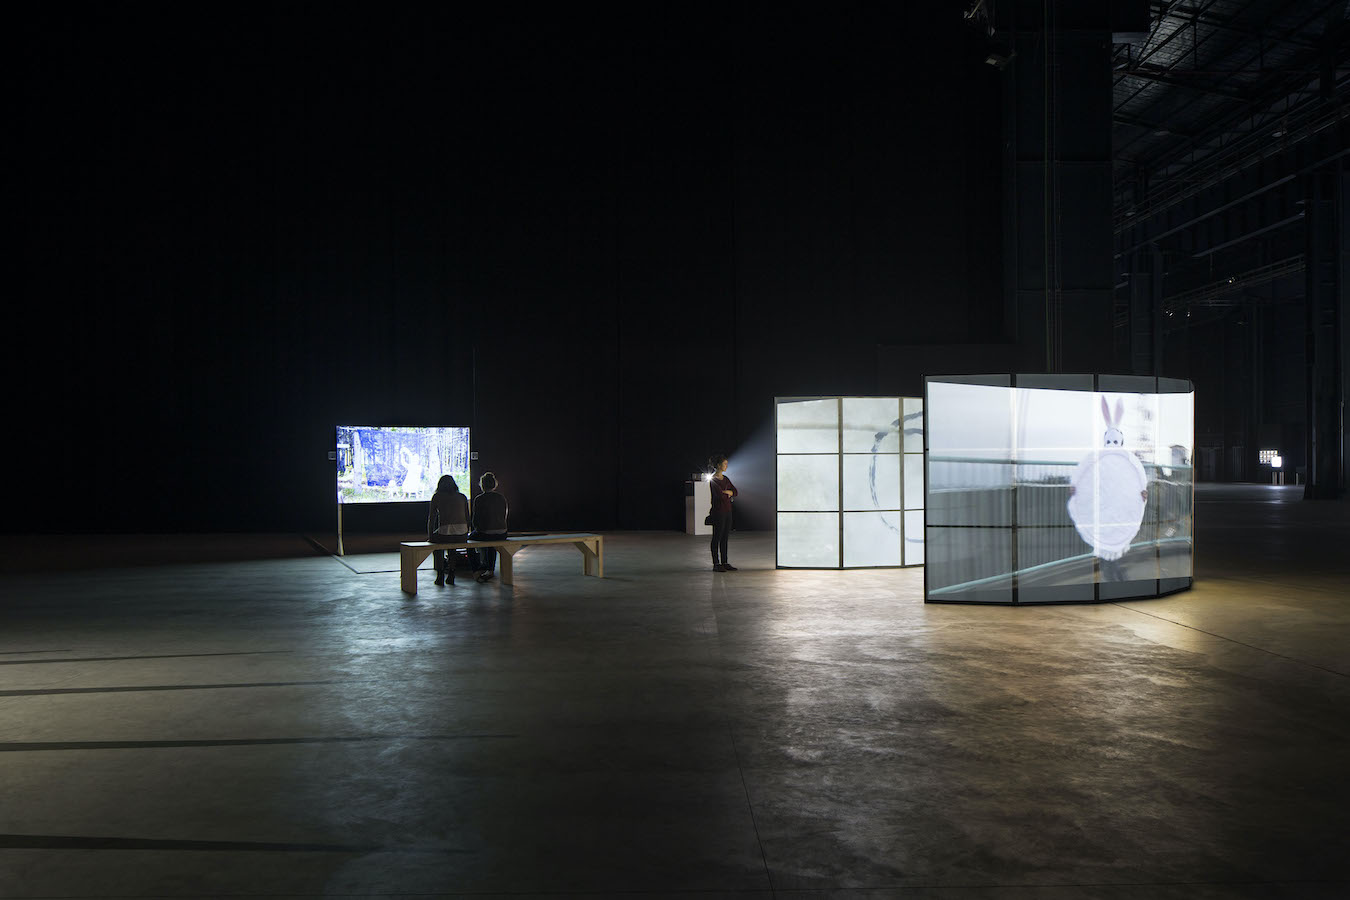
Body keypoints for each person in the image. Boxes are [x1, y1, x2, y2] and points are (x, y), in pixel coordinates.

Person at [426, 475, 470, 586]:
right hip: (462, 533)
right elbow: (467, 517)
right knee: (452, 547)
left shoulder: (437, 496)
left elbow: (432, 518)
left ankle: (440, 574)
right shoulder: (462, 496)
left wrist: (430, 535)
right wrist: (466, 533)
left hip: (445, 533)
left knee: (437, 547)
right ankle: (452, 573)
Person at [470, 471, 509, 582]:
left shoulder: (479, 499)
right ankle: (490, 569)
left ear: (482, 485)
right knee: (492, 541)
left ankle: (476, 569)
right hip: (502, 533)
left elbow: (475, 520)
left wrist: (478, 529)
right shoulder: (501, 497)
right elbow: (504, 516)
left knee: (469, 541)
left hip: (486, 532)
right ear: (494, 484)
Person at [708, 454, 738, 572]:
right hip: (718, 512)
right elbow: (719, 495)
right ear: (719, 465)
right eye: (725, 464)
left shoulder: (726, 479)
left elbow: (735, 491)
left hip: (727, 511)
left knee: (725, 537)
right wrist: (728, 493)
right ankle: (716, 563)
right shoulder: (714, 480)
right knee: (717, 537)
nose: (726, 466)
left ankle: (724, 562)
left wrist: (729, 492)